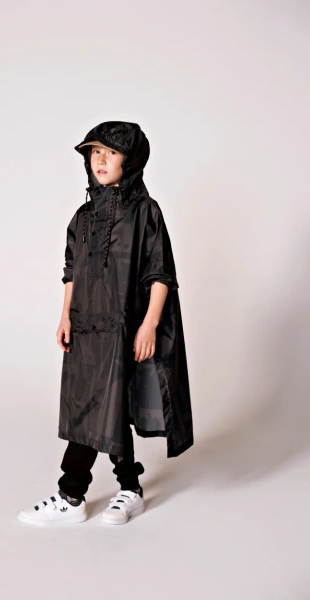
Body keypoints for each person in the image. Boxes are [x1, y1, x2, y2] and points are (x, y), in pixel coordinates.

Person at [18, 121, 193, 527]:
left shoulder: (145, 211)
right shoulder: (82, 217)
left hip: (124, 324)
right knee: (98, 404)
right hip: (85, 325)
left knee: (98, 403)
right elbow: (72, 270)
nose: (100, 159)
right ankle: (130, 488)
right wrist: (65, 314)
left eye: (111, 152)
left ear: (129, 161)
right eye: (95, 152)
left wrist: (149, 325)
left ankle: (71, 494)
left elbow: (160, 272)